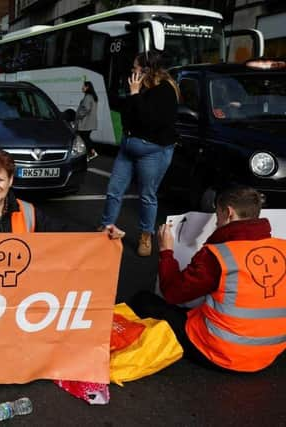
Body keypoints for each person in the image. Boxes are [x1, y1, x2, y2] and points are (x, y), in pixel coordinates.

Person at [130, 185, 286, 372]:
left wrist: (166, 252)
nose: (217, 223)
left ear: (228, 213)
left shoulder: (219, 255)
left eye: (217, 216)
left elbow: (173, 292)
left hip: (223, 353)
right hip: (270, 353)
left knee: (144, 300)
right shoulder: (282, 248)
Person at [99, 51, 179, 257]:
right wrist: (129, 95)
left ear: (146, 70)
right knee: (114, 190)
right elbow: (128, 115)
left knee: (147, 195)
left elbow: (148, 120)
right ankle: (105, 228)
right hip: (128, 147)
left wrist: (134, 95)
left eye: (135, 67)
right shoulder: (140, 87)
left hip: (152, 151)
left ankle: (146, 235)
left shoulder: (165, 90)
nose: (132, 70)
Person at [76, 81, 98, 160]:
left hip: (85, 122)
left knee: (83, 138)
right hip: (89, 122)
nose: (82, 88)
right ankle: (90, 153)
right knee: (85, 137)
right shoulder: (92, 96)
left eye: (83, 86)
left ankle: (91, 153)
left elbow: (86, 108)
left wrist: (79, 115)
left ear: (87, 87)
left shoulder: (88, 97)